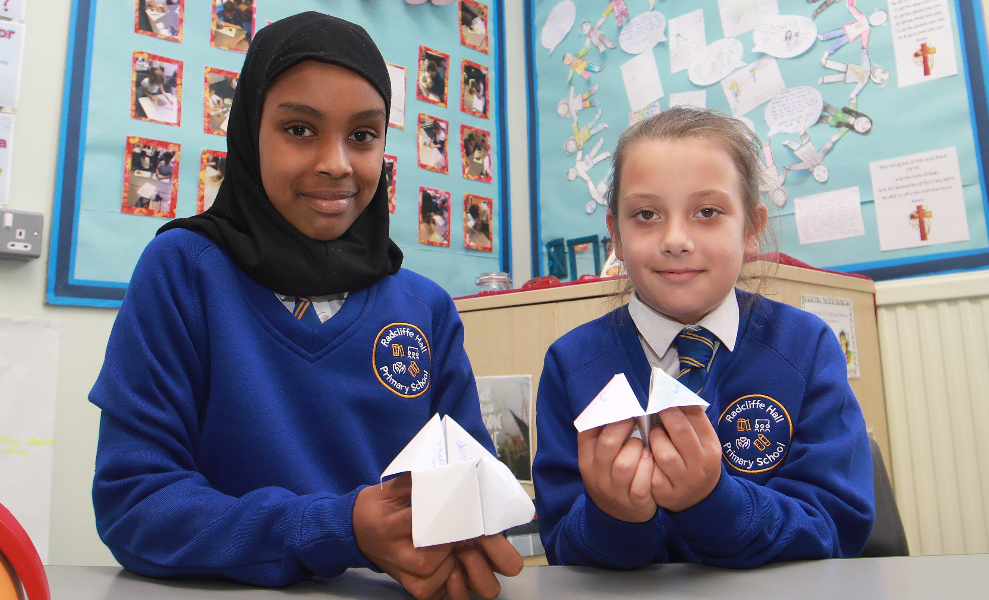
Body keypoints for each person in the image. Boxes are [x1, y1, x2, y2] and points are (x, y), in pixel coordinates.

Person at [90, 13, 522, 599]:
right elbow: (136, 503)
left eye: (363, 135)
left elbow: (469, 498)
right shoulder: (184, 273)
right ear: (247, 133)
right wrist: (337, 529)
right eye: (299, 129)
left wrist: (471, 537)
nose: (336, 162)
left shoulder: (427, 308)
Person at [530, 106, 875, 569]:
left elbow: (834, 527)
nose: (676, 239)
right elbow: (561, 543)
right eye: (647, 214)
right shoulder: (571, 364)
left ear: (751, 229)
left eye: (707, 212)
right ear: (615, 233)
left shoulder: (805, 347)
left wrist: (713, 502)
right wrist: (614, 517)